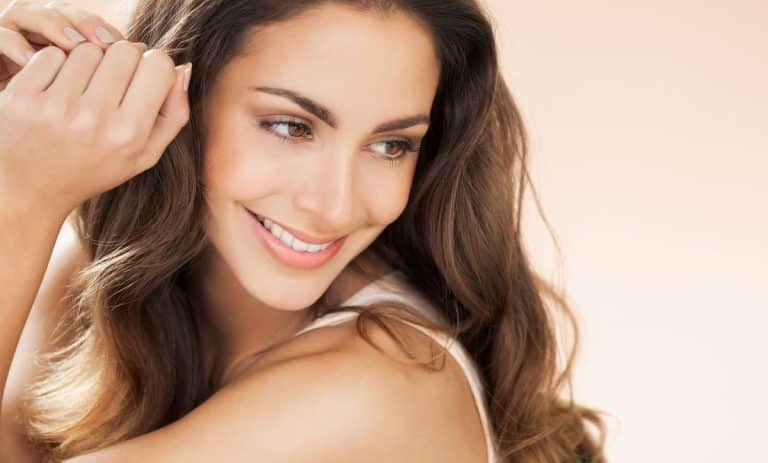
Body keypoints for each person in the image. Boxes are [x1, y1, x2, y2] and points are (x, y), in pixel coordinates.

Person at [0, 0, 607, 462]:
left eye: (391, 144)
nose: (336, 206)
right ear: (179, 97)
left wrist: (18, 190)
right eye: (291, 127)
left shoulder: (376, 384)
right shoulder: (97, 270)